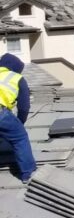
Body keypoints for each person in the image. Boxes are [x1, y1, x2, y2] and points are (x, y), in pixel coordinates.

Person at [0, 54, 35, 183]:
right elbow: (24, 107)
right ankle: (28, 173)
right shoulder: (16, 78)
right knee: (20, 138)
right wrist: (20, 123)